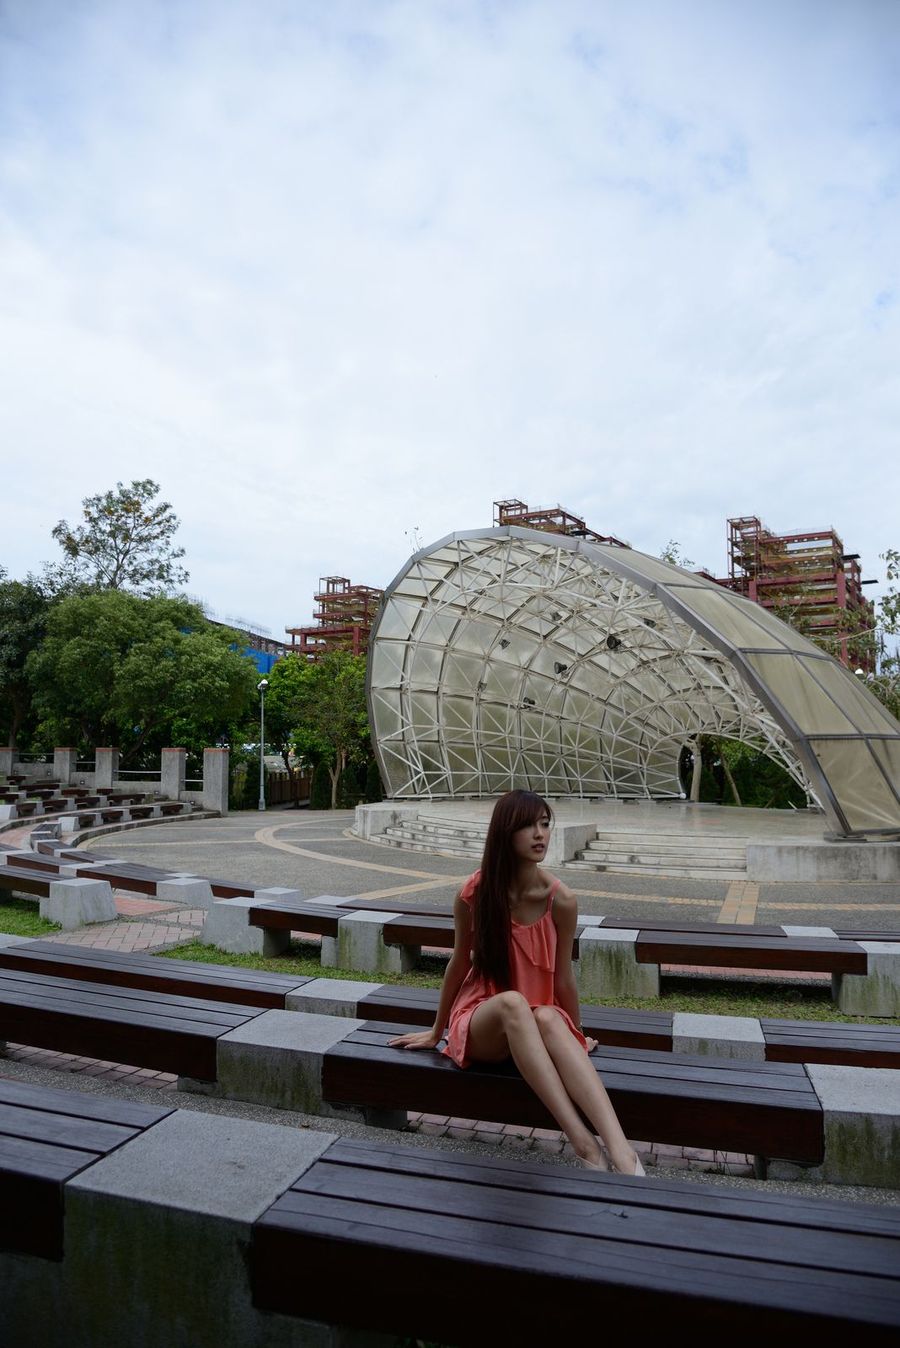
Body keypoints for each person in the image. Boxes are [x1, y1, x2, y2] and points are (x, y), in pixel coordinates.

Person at [389, 789, 645, 1175]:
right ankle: (583, 1144)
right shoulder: (474, 893)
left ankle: (623, 1153)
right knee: (513, 1003)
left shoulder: (561, 900)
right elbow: (458, 965)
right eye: (528, 826)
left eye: (544, 824)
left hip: (535, 1024)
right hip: (482, 1022)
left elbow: (563, 979)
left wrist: (576, 1033)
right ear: (505, 833)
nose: (539, 834)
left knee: (546, 1017)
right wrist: (435, 1030)